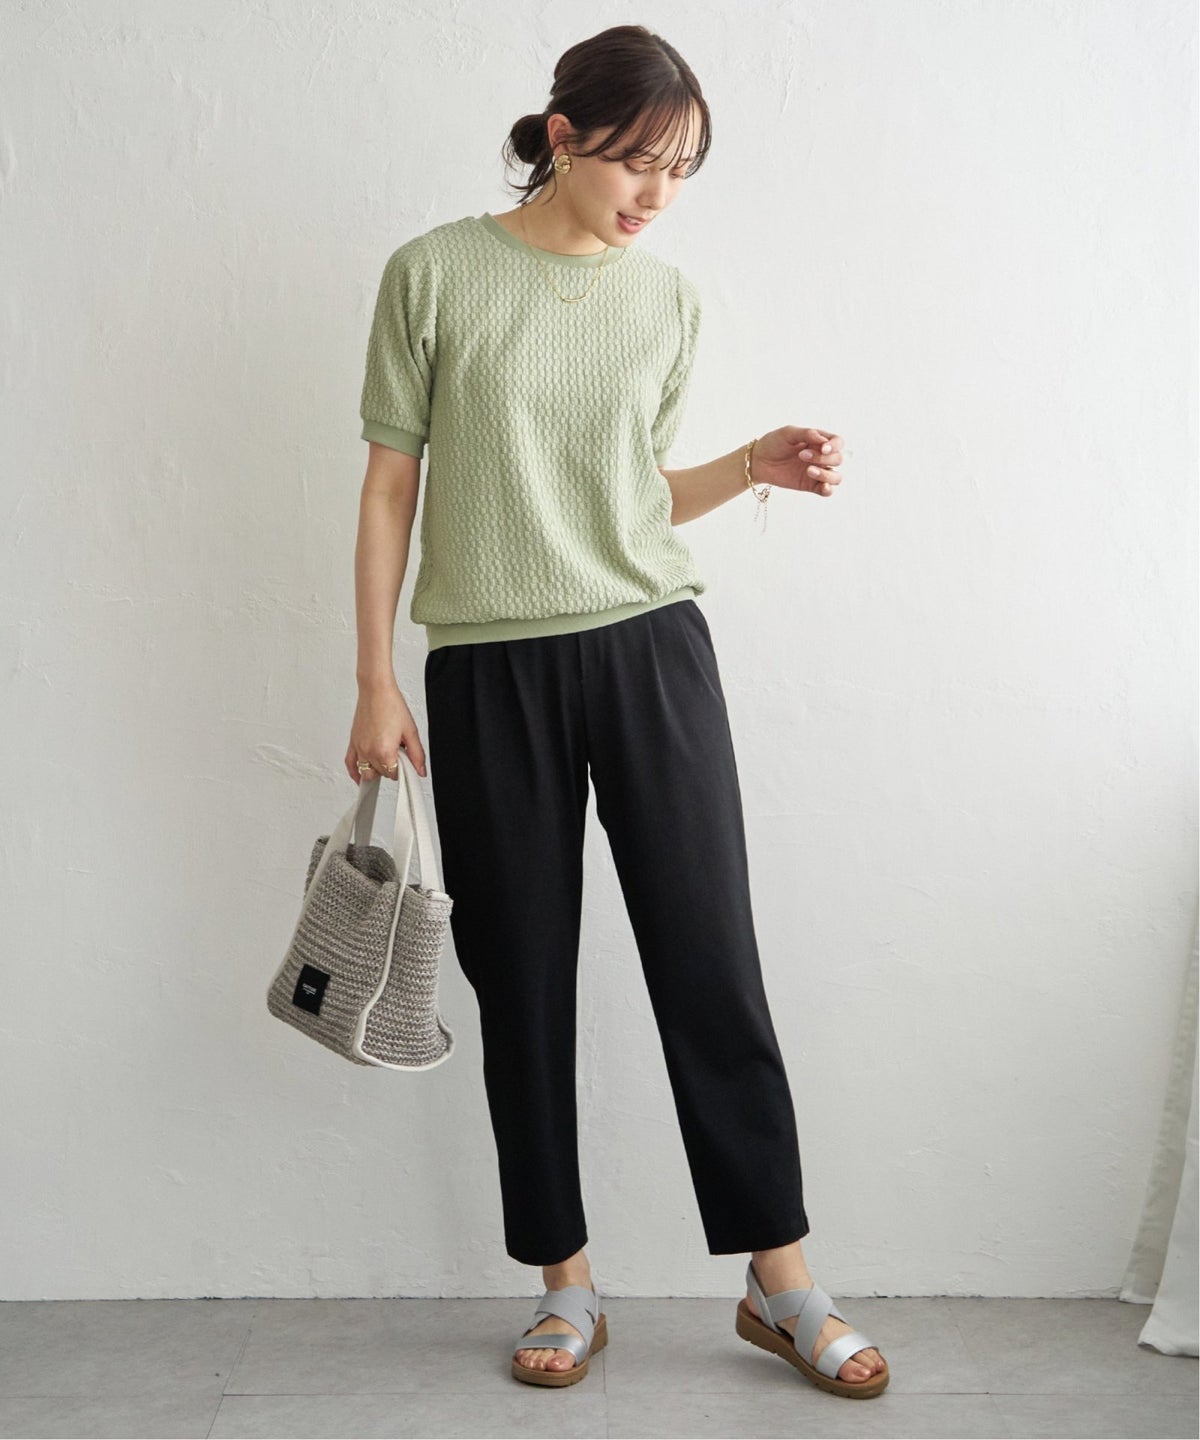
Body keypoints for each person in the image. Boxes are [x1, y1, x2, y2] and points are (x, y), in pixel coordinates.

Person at [346, 22, 888, 1401]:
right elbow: (392, 487)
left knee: (711, 960)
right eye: (640, 160)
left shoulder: (668, 304)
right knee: (521, 975)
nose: (658, 192)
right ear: (563, 137)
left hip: (652, 651)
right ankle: (565, 1283)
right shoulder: (433, 273)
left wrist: (748, 465)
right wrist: (374, 678)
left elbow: (633, 492)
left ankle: (781, 1281)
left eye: (684, 168)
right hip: (490, 670)